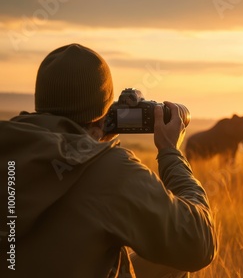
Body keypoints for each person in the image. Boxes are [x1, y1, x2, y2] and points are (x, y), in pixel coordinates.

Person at [0, 43, 217, 278]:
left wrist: (87, 141)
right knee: (176, 260)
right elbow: (198, 244)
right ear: (103, 112)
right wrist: (170, 152)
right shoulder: (110, 170)